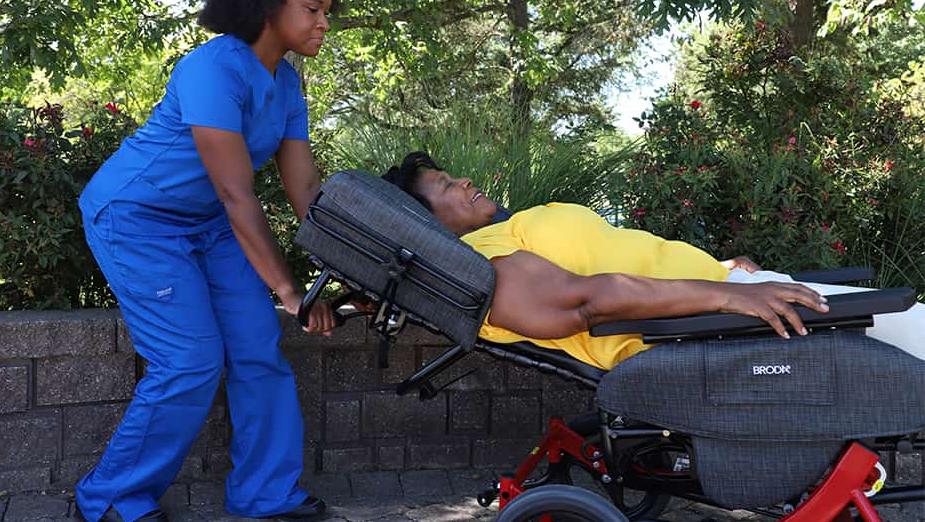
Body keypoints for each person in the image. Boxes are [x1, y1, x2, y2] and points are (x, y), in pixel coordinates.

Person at [75, 0, 339, 522]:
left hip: (210, 226)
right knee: (190, 359)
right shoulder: (211, 68)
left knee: (256, 346)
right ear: (270, 4)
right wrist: (291, 292)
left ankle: (264, 493)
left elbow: (306, 195)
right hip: (138, 218)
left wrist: (353, 268)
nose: (325, 22)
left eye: (327, 10)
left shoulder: (287, 84)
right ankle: (109, 497)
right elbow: (236, 193)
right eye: (313, 8)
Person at [366, 151, 924, 370]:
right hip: (726, 318)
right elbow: (583, 302)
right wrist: (730, 296)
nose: (462, 179)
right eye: (443, 184)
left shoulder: (507, 230)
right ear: (427, 221)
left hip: (736, 298)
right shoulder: (483, 264)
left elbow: (621, 262)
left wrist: (722, 273)